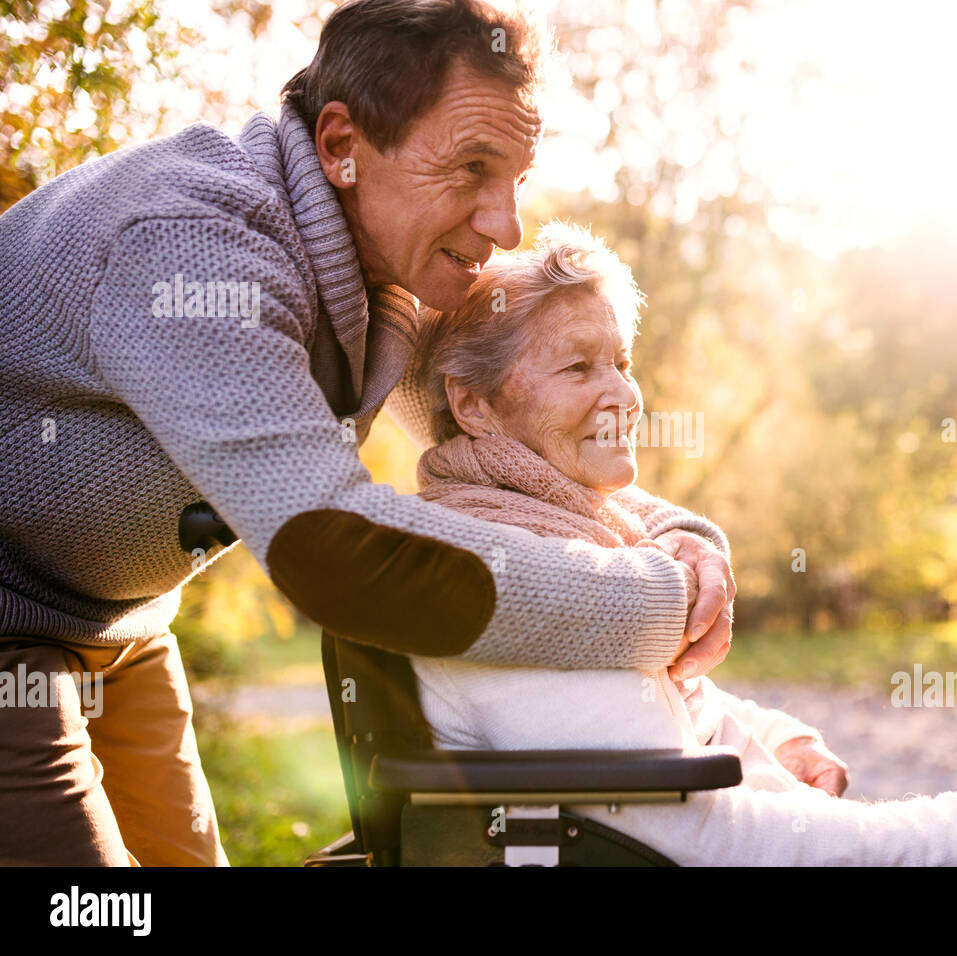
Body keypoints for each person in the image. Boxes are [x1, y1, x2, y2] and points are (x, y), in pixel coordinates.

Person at [0, 0, 733, 866]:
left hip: (117, 627)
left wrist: (676, 537)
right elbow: (336, 551)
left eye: (516, 180)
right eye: (470, 167)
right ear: (342, 145)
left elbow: (507, 435)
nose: (506, 225)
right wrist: (656, 603)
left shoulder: (387, 265)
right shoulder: (196, 244)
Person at [408, 221, 957, 865]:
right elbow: (705, 841)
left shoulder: (554, 533)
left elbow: (637, 711)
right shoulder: (506, 572)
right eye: (580, 367)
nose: (625, 396)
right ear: (473, 405)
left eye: (623, 364)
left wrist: (771, 739)